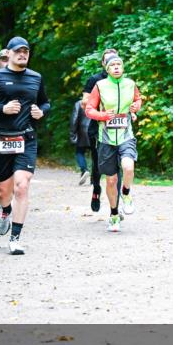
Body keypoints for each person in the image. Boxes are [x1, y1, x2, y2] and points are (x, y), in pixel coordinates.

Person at [0, 37, 50, 254]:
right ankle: (5, 209)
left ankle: (15, 238)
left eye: (26, 51)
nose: (23, 54)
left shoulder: (36, 77)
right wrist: (1, 109)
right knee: (3, 192)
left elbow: (45, 102)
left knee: (22, 186)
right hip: (2, 138)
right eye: (18, 51)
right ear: (10, 53)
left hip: (27, 138)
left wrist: (42, 111)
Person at [85, 54, 141, 232]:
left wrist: (135, 107)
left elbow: (137, 99)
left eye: (119, 64)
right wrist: (102, 116)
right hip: (106, 139)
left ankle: (126, 193)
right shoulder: (100, 86)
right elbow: (89, 109)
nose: (116, 67)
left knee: (128, 167)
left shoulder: (130, 84)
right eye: (112, 65)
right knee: (110, 180)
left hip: (126, 135)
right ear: (107, 69)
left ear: (123, 68)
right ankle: (114, 215)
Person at [82, 48, 119, 211]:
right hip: (98, 128)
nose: (112, 61)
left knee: (118, 165)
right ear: (103, 63)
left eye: (115, 58)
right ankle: (96, 188)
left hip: (119, 128)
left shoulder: (123, 81)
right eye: (108, 59)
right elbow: (84, 103)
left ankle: (116, 204)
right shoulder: (95, 80)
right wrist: (101, 109)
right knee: (98, 165)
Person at [70, 99, 91, 185]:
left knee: (79, 152)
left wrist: (73, 134)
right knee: (95, 154)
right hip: (94, 131)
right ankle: (95, 177)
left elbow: (74, 119)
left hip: (82, 132)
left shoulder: (79, 103)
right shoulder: (97, 102)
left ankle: (84, 170)